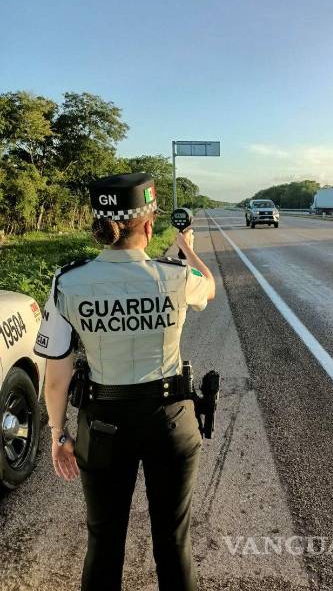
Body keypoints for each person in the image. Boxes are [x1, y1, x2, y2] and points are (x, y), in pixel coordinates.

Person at [33, 172, 216, 591]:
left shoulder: (68, 282)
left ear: (100, 226)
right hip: (171, 421)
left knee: (103, 540)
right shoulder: (175, 276)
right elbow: (209, 288)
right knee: (174, 541)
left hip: (102, 427)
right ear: (148, 225)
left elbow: (57, 378)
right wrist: (188, 247)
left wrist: (59, 435)